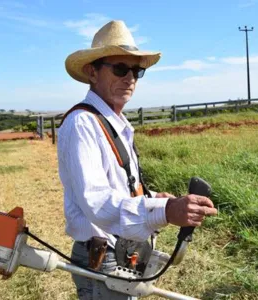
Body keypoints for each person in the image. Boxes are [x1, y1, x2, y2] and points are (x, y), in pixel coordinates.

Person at [58, 20, 217, 300]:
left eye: (136, 70)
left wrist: (154, 197)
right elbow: (97, 203)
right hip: (103, 255)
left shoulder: (112, 121)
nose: (129, 78)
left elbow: (119, 186)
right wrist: (165, 210)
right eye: (120, 68)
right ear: (92, 72)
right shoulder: (83, 123)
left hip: (119, 253)